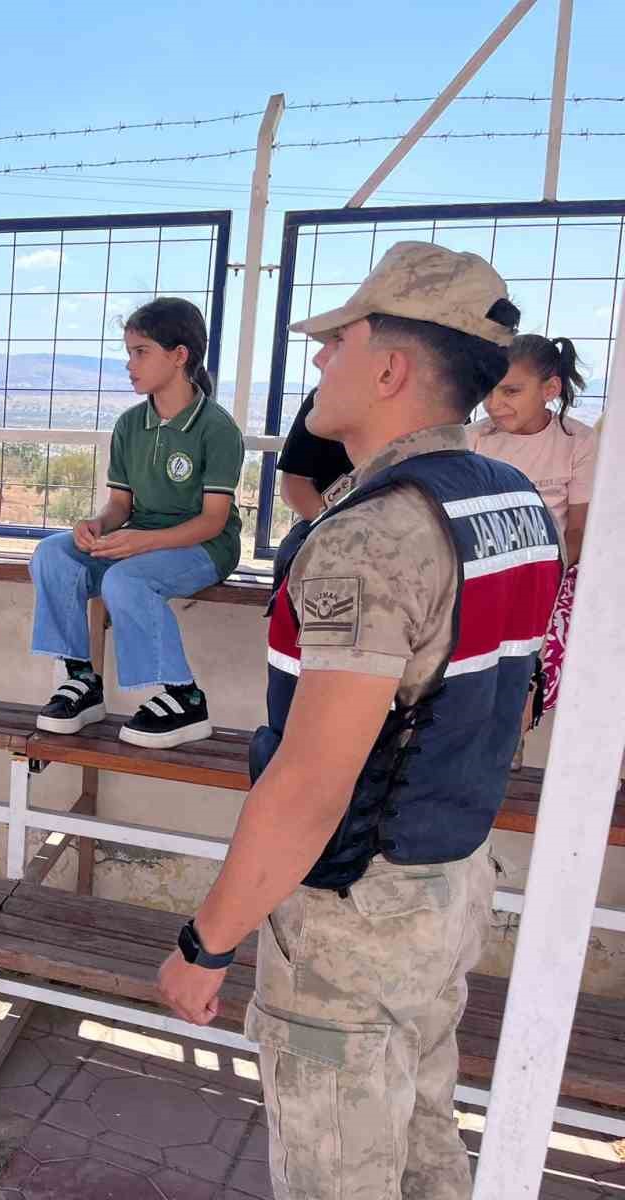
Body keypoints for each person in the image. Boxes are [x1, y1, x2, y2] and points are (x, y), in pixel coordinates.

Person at [156, 243, 562, 1200]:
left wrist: (206, 944)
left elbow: (309, 784)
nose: (319, 361)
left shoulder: (373, 534)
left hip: (357, 912)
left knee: (342, 1176)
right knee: (421, 1145)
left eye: (338, 341)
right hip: (451, 878)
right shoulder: (513, 503)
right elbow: (522, 696)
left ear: (389, 368)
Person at [29, 297, 245, 749]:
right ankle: (81, 680)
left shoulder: (216, 429)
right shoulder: (130, 425)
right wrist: (97, 525)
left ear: (180, 355)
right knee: (53, 554)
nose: (130, 364)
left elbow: (212, 521)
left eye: (140, 352)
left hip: (204, 547)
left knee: (125, 581)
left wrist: (141, 543)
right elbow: (120, 507)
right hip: (139, 540)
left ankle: (185, 698)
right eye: (128, 352)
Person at [469, 334, 596, 718]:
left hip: (547, 578)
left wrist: (540, 580)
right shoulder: (474, 440)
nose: (494, 403)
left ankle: (518, 724)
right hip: (482, 575)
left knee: (523, 676)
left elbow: (577, 530)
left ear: (550, 389)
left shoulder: (579, 442)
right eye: (489, 390)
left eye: (510, 391)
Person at [276, 387, 353, 520]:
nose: (319, 365)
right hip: (325, 524)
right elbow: (293, 484)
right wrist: (332, 525)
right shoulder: (324, 398)